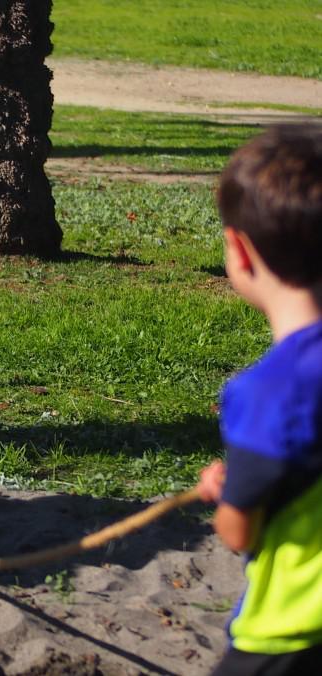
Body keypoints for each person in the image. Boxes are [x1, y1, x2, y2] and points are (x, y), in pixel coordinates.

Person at [196, 124, 322, 676]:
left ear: (240, 253)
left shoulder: (268, 392)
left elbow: (239, 530)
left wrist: (227, 497)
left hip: (293, 635)